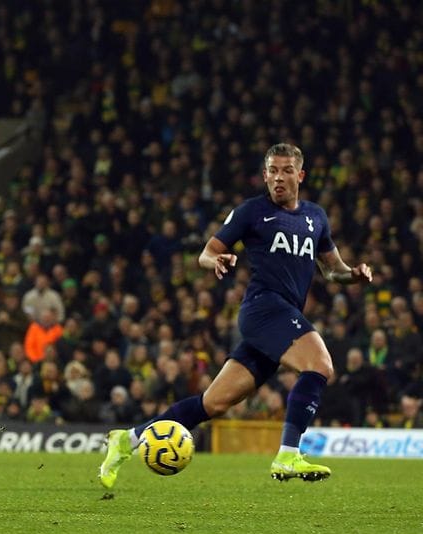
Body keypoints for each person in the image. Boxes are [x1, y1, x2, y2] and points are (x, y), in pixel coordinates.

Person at [99, 143, 372, 488]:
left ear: (300, 175)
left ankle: (127, 440)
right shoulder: (252, 212)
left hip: (277, 318)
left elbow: (332, 270)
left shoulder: (315, 217)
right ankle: (288, 454)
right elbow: (207, 253)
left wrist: (355, 275)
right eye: (272, 171)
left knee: (212, 403)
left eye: (286, 170)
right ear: (264, 175)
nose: (278, 178)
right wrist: (217, 261)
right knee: (320, 365)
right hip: (264, 308)